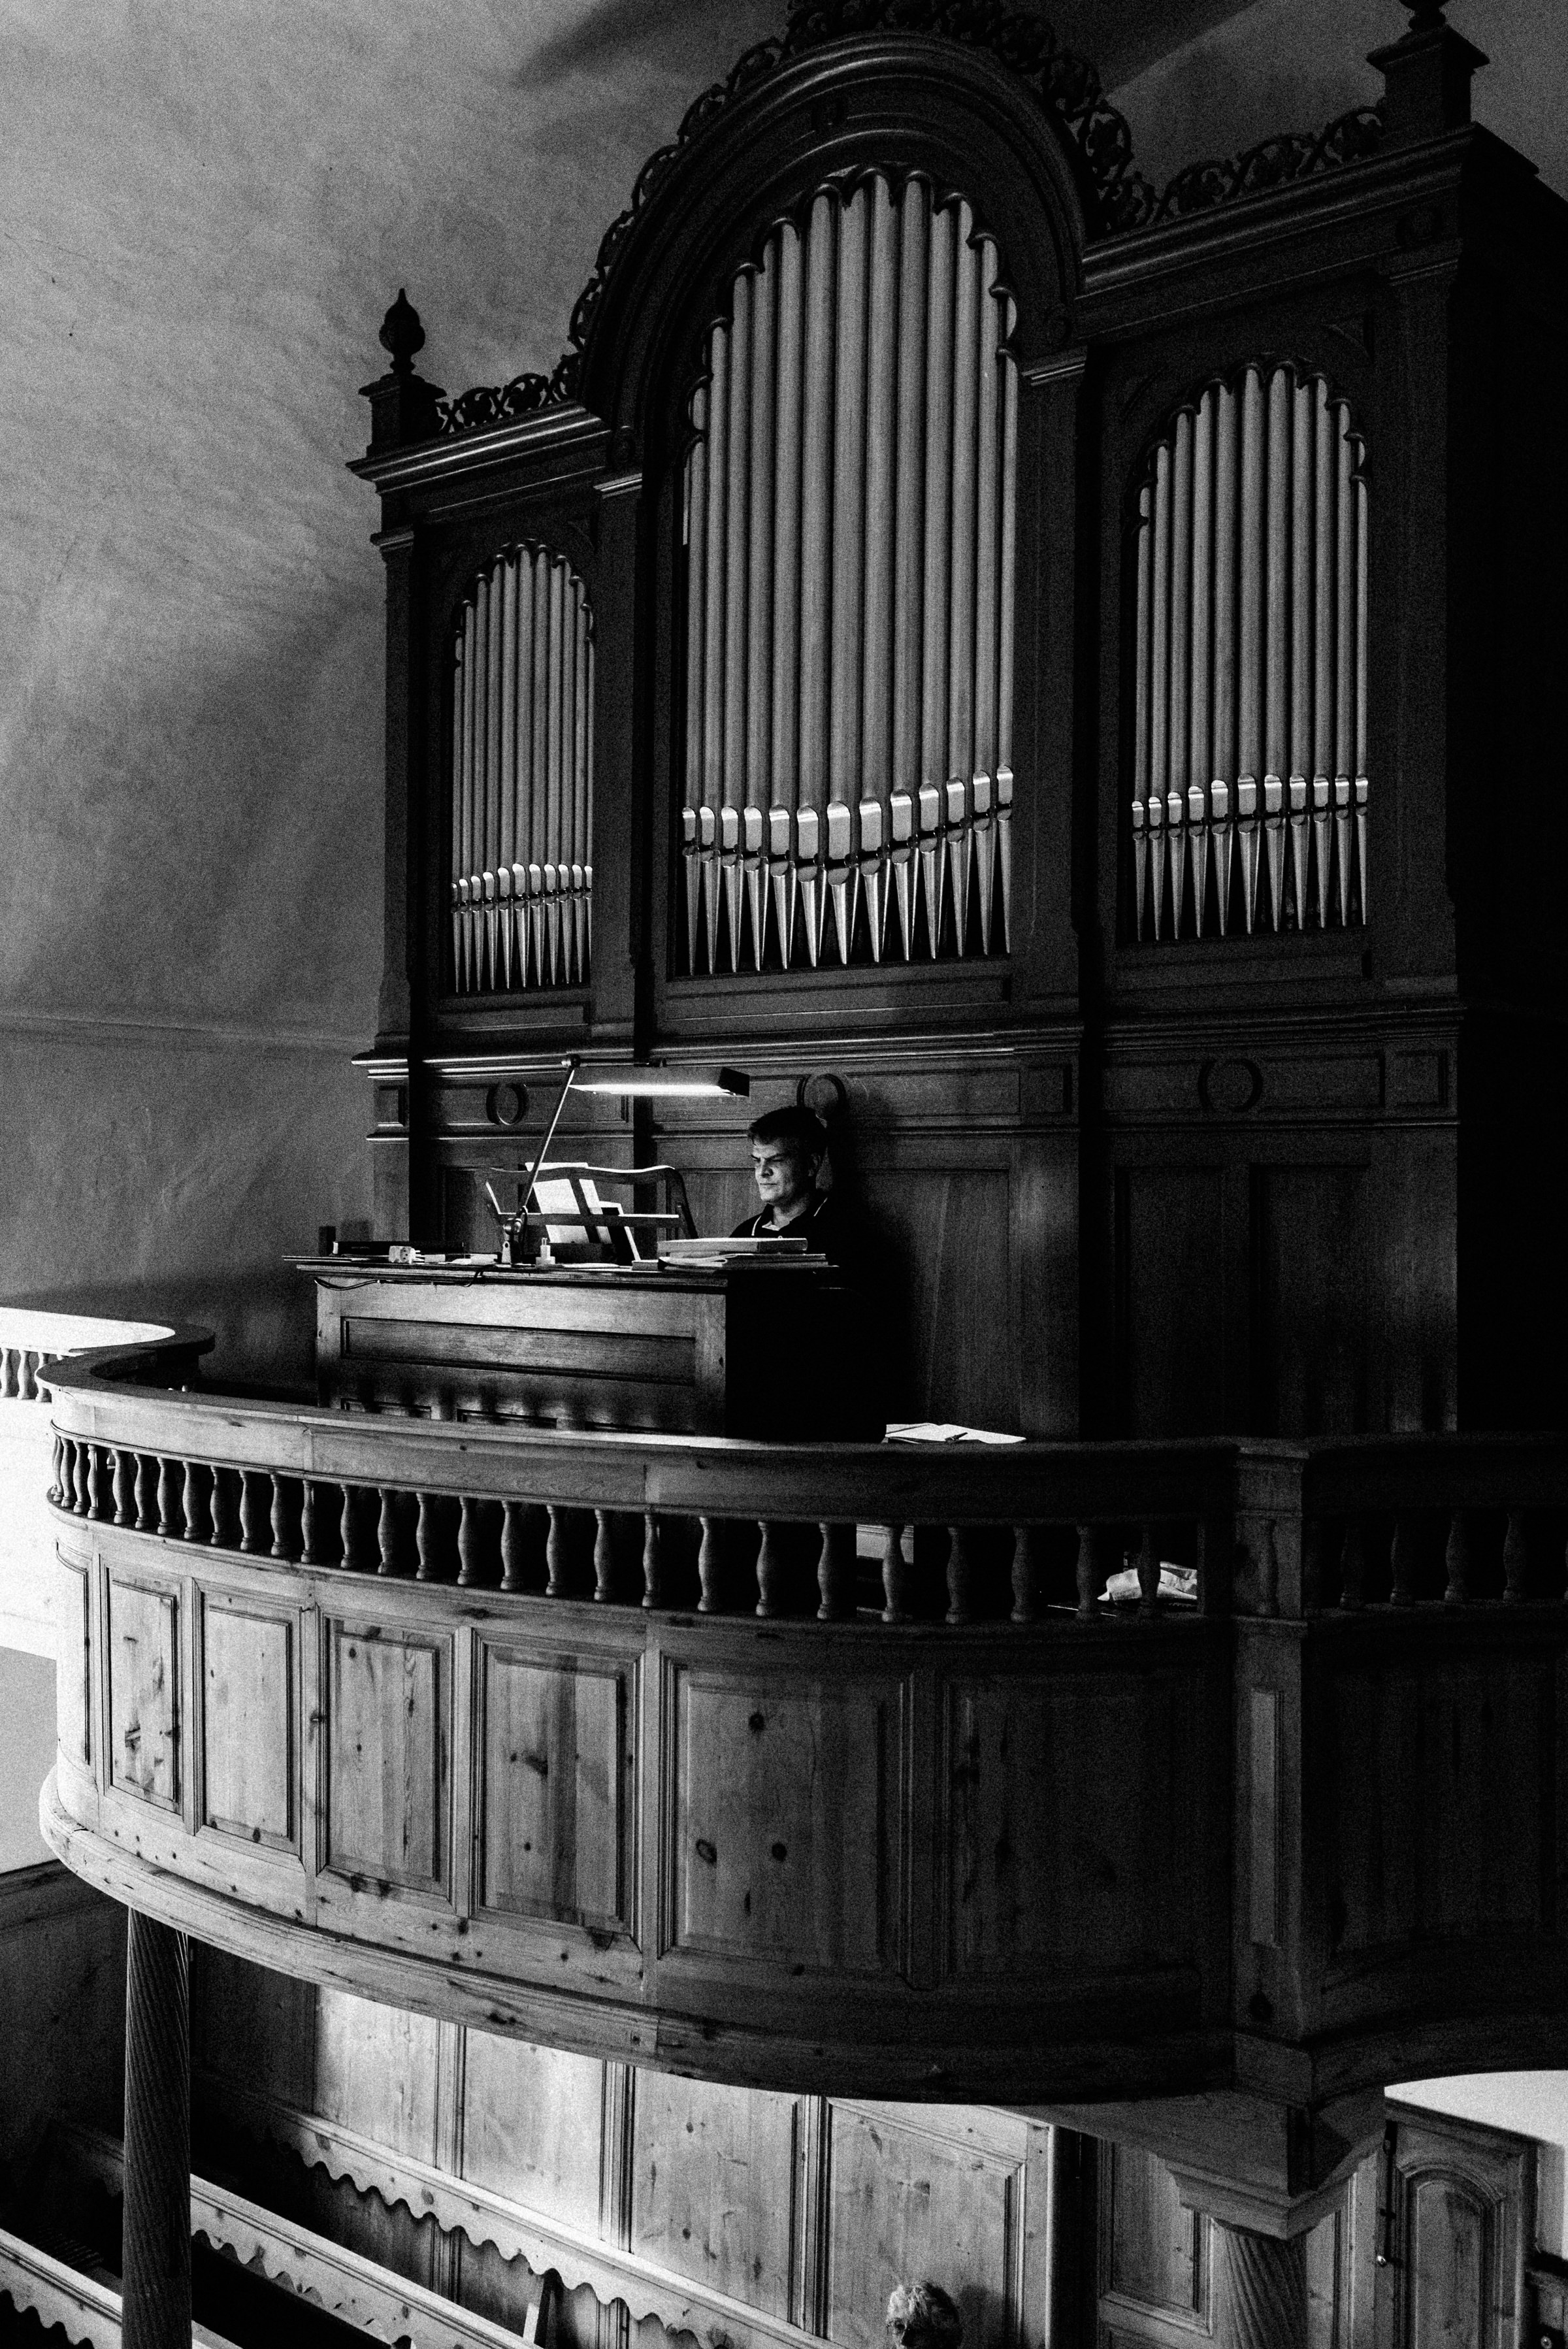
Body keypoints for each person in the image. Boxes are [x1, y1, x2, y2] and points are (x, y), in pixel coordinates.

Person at [731, 1104, 847, 1262]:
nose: (762, 1172)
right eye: (757, 1161)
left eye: (776, 1160)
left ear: (811, 1165)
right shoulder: (744, 1234)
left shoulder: (844, 1233)